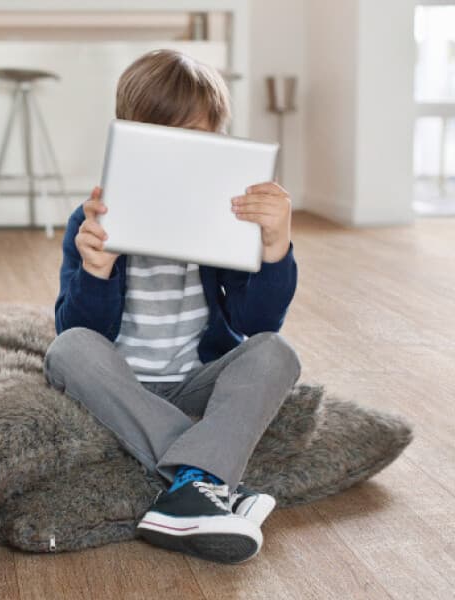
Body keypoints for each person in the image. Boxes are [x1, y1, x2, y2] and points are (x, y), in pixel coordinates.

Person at [42, 49, 300, 565]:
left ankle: (192, 487)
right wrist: (96, 271)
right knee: (68, 350)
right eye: (161, 141)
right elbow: (77, 329)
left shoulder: (227, 222)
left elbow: (257, 323)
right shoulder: (91, 221)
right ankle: (210, 479)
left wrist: (275, 248)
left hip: (196, 382)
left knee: (277, 352)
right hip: (121, 384)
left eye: (195, 141)